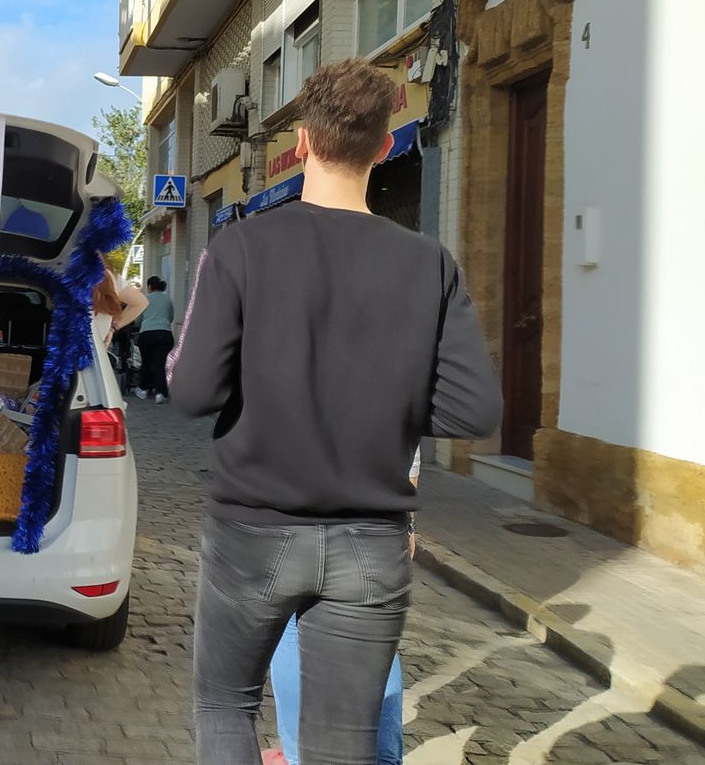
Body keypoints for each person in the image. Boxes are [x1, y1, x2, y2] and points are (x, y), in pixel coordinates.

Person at [168, 58, 502, 764]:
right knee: (341, 745)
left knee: (226, 706)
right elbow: (476, 407)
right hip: (369, 540)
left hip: (254, 529)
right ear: (385, 146)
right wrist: (388, 403)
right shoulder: (428, 263)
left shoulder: (242, 247)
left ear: (303, 140)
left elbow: (193, 392)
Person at [267, 448, 423, 765]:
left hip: (296, 511)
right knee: (375, 633)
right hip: (375, 525)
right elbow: (410, 449)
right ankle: (381, 759)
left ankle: (302, 757)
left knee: (294, 624)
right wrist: (406, 523)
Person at [133, 276, 175, 404]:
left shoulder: (144, 299)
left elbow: (138, 320)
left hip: (147, 334)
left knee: (146, 362)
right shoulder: (168, 299)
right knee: (160, 364)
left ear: (150, 287)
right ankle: (161, 394)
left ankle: (144, 390)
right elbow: (170, 317)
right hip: (164, 333)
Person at [91, 269, 148, 348]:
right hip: (96, 349)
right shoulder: (108, 275)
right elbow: (140, 302)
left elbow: (140, 302)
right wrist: (113, 328)